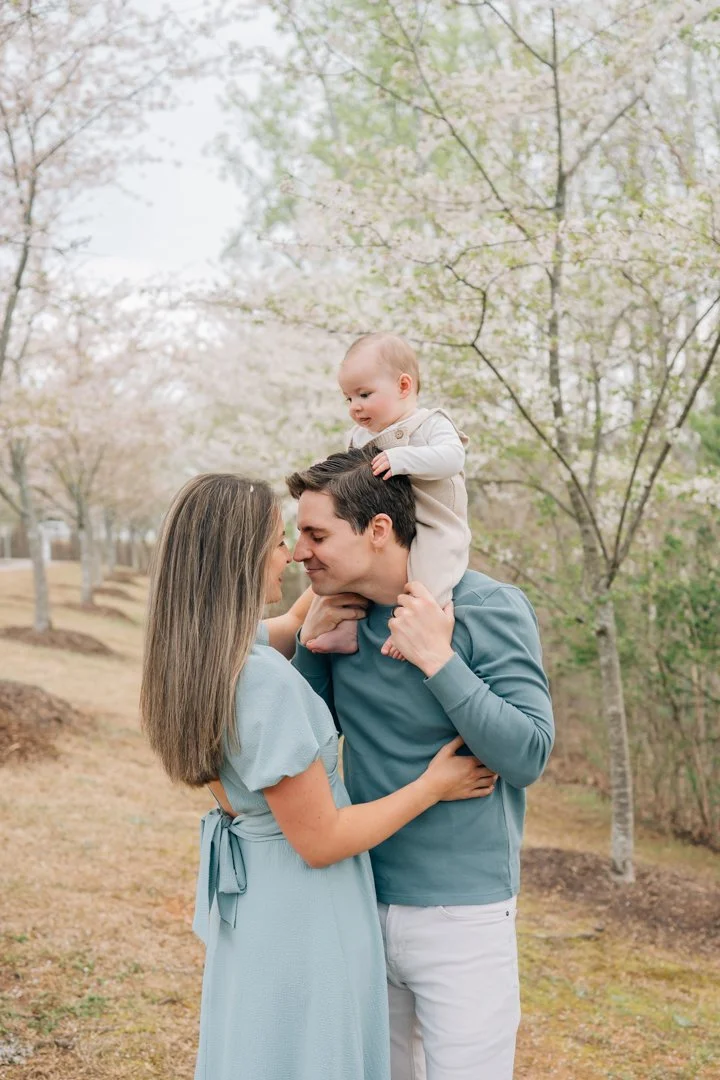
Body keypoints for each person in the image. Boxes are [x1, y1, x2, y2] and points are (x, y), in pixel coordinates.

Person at [139, 473, 498, 1080]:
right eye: (279, 542)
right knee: (308, 1054)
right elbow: (321, 838)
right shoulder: (267, 686)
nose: (293, 555)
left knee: (261, 1050)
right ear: (241, 559)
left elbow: (283, 631)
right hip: (302, 913)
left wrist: (329, 583)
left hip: (253, 904)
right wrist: (431, 786)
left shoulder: (197, 656)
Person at [287, 450, 555, 1080]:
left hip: (463, 918)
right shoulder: (338, 619)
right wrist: (307, 650)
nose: (300, 552)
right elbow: (300, 750)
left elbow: (529, 754)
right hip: (356, 901)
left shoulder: (487, 606)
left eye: (317, 534)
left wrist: (439, 660)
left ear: (379, 530)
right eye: (300, 535)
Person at [310, 332, 471, 657]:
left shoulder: (430, 423)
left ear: (403, 386)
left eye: (364, 394)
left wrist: (402, 458)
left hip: (434, 519)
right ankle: (345, 627)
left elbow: (452, 458)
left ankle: (420, 626)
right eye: (348, 399)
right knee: (344, 567)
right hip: (389, 523)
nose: (356, 407)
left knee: (428, 575)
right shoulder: (359, 436)